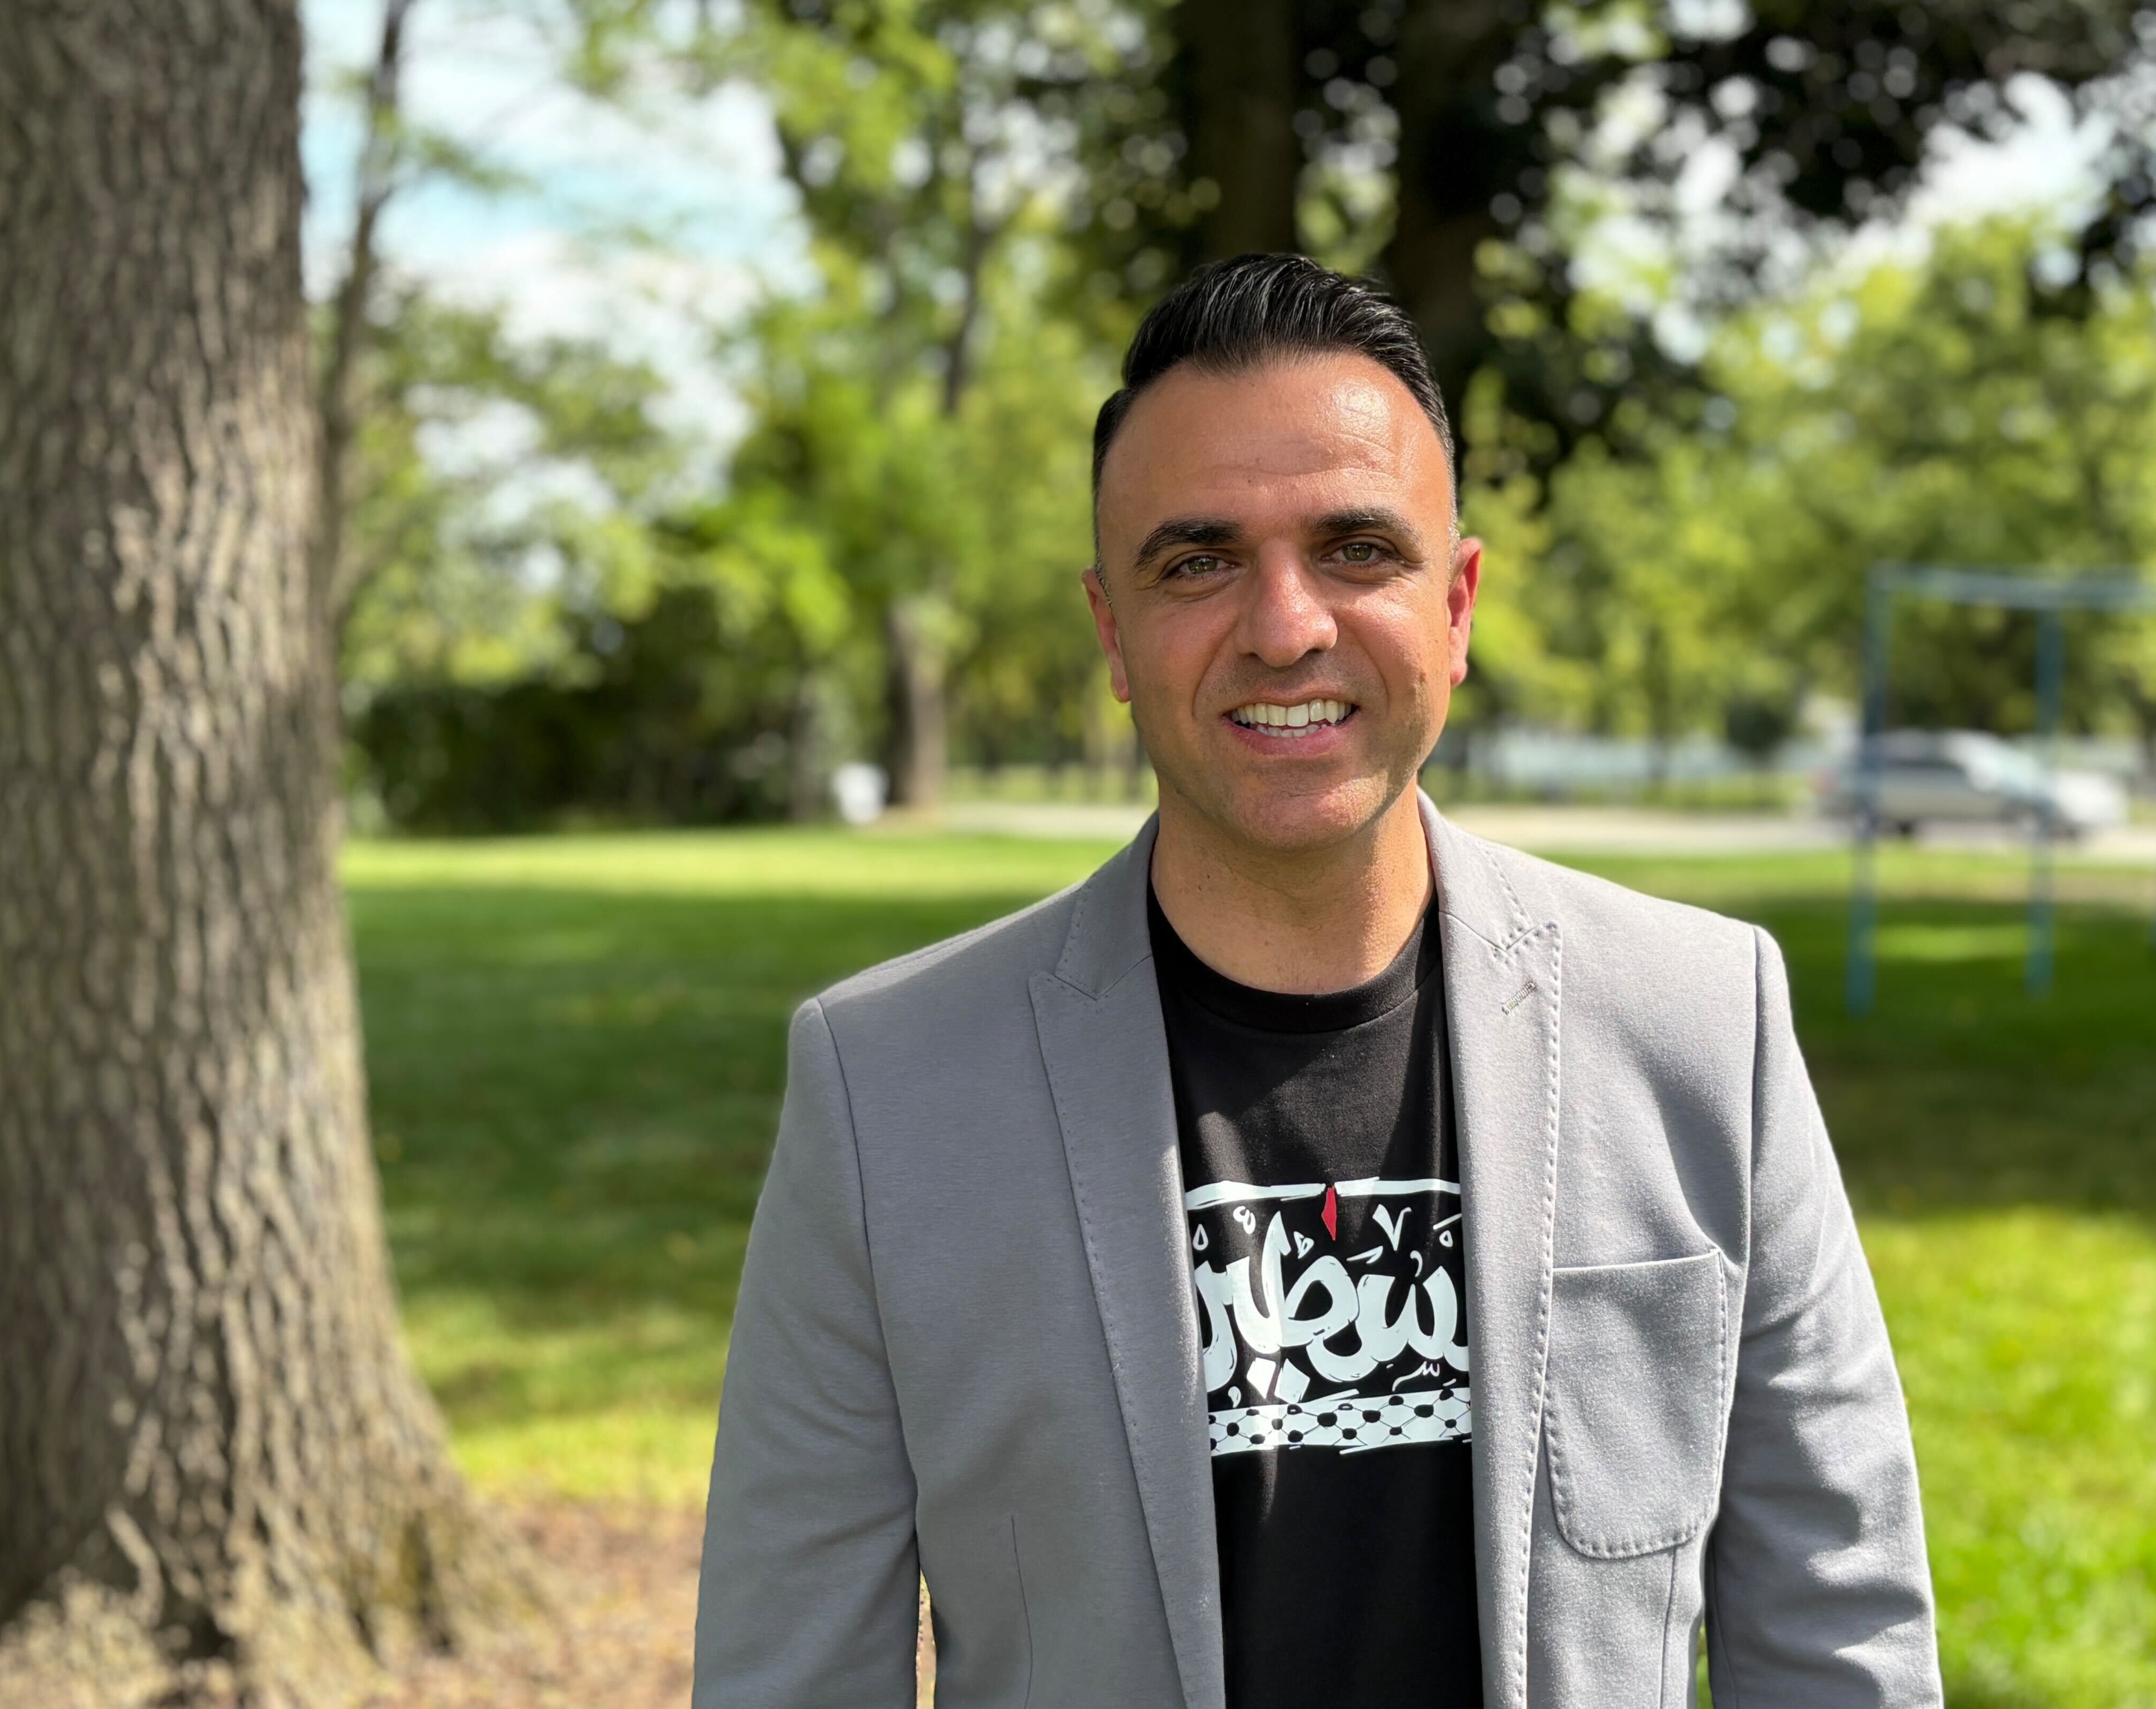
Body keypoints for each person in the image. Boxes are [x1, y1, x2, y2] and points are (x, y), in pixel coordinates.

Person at [695, 254, 1938, 1709]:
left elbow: (1837, 1627)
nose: (1285, 625)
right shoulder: (886, 1092)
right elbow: (794, 1671)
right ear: (1111, 630)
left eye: (1357, 549)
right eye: (1198, 561)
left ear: (1459, 605)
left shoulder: (1701, 1024)